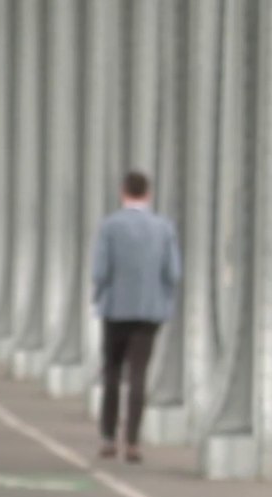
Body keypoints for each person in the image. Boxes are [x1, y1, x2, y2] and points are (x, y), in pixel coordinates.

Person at [90, 171, 182, 463]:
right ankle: (132, 442)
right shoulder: (163, 228)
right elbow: (173, 272)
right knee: (139, 374)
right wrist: (161, 298)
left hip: (115, 309)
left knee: (112, 372)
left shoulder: (110, 226)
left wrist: (99, 296)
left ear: (123, 192)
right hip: (148, 311)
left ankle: (108, 438)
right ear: (148, 194)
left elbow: (100, 271)